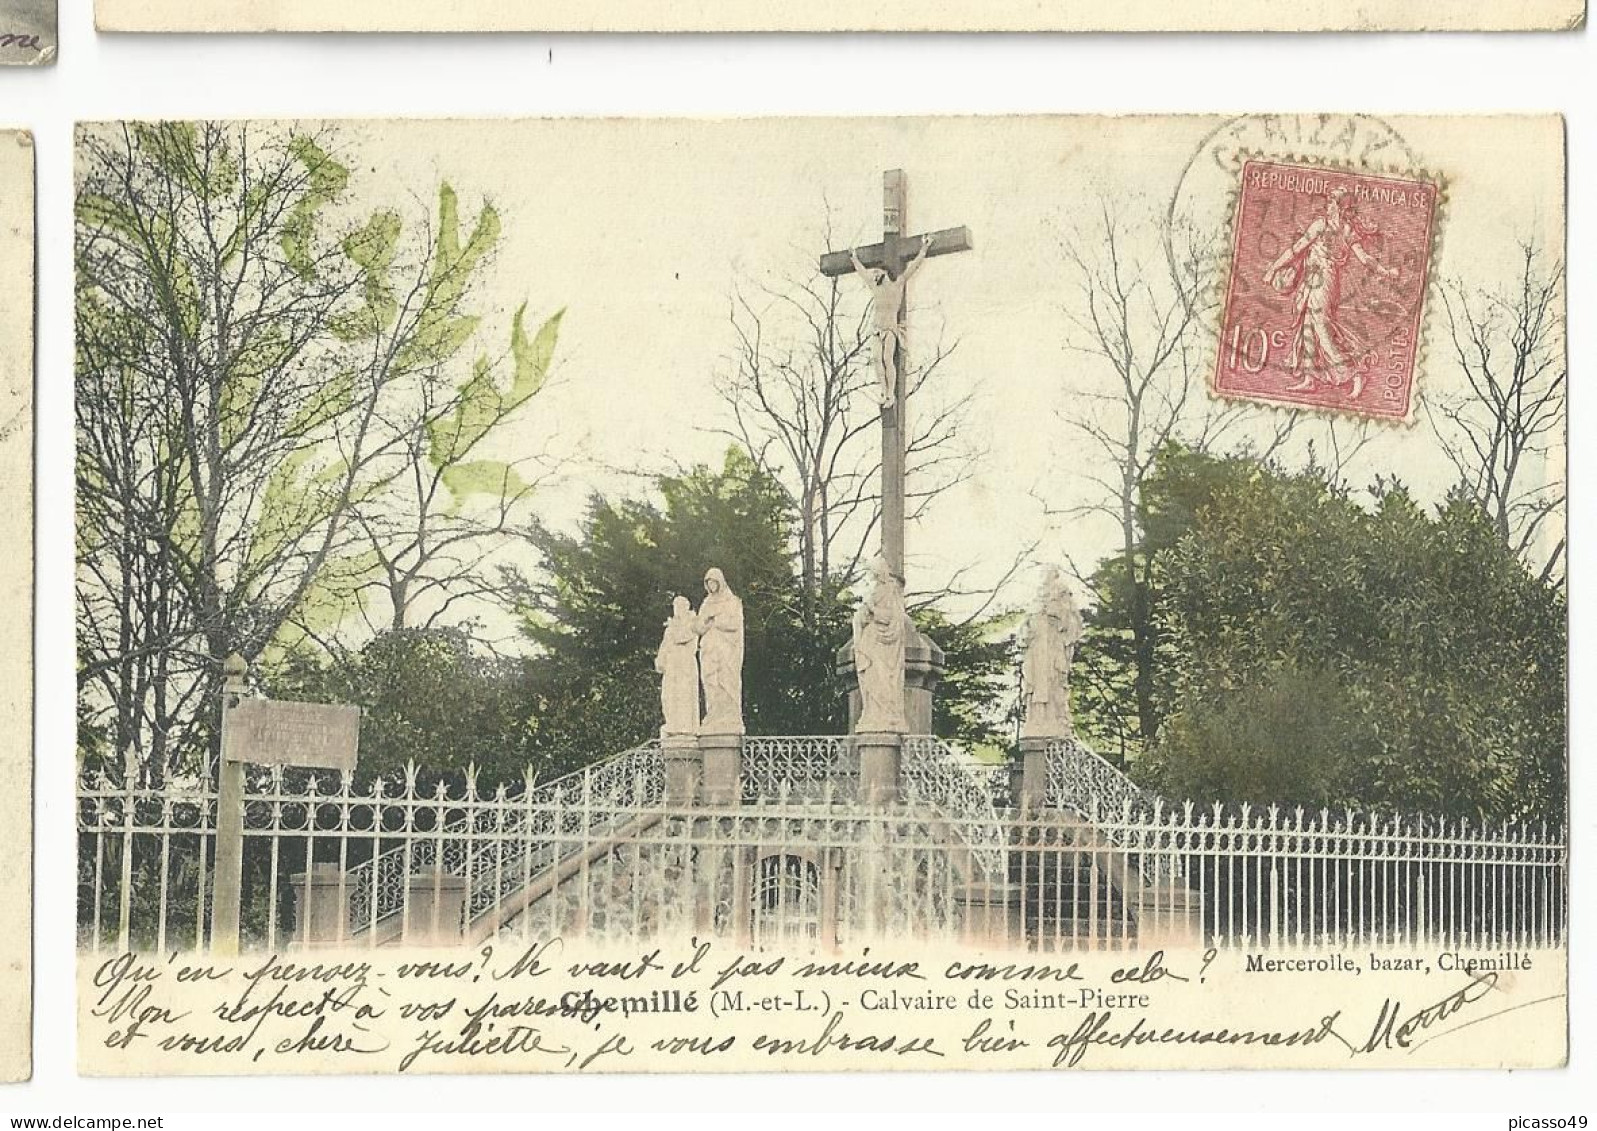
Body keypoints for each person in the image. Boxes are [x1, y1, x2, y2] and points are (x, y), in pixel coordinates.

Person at [1262, 187, 1399, 400]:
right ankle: (1310, 378)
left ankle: (1354, 374)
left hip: (1324, 282)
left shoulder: (1343, 230)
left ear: (1341, 207)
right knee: (1307, 326)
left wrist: (1386, 272)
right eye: (1329, 201)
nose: (1328, 205)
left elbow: (1365, 259)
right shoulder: (1323, 225)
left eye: (1333, 202)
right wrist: (1273, 269)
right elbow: (1296, 249)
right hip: (1311, 281)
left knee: (1321, 328)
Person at [850, 235, 932, 408]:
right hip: (877, 329)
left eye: (877, 273)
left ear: (885, 273)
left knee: (887, 359)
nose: (874, 275)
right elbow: (862, 272)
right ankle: (884, 391)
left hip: (890, 329)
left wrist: (924, 249)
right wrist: (854, 258)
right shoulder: (875, 287)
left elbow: (913, 267)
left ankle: (890, 394)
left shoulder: (897, 285)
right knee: (876, 359)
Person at [1022, 568, 1085, 738]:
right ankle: (1038, 719)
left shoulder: (1062, 594)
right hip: (1037, 649)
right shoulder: (1036, 601)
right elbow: (1025, 629)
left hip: (1052, 648)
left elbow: (1073, 622)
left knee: (1053, 682)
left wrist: (1056, 614)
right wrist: (1029, 629)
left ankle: (1054, 719)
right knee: (1035, 684)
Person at [853, 556, 909, 733]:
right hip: (870, 642)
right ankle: (872, 714)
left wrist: (873, 610)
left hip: (884, 647)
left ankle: (887, 716)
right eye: (872, 573)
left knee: (884, 679)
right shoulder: (875, 590)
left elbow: (896, 618)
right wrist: (862, 615)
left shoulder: (891, 591)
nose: (874, 576)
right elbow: (861, 617)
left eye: (875, 572)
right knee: (871, 679)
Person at [694, 567, 745, 733]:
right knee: (710, 681)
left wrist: (716, 621)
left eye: (714, 582)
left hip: (726, 649)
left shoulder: (732, 601)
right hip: (709, 648)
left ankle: (729, 716)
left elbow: (734, 624)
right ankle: (714, 714)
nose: (711, 585)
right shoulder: (706, 603)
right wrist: (705, 622)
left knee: (727, 680)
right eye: (708, 582)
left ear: (720, 582)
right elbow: (698, 627)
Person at [655, 595, 700, 738]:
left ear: (685, 608)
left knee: (683, 695)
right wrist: (660, 660)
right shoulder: (672, 626)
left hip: (684, 666)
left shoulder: (692, 623)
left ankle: (684, 727)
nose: (676, 610)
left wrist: (674, 627)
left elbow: (680, 637)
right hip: (672, 666)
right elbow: (665, 644)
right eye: (675, 607)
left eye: (679, 607)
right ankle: (672, 724)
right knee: (668, 695)